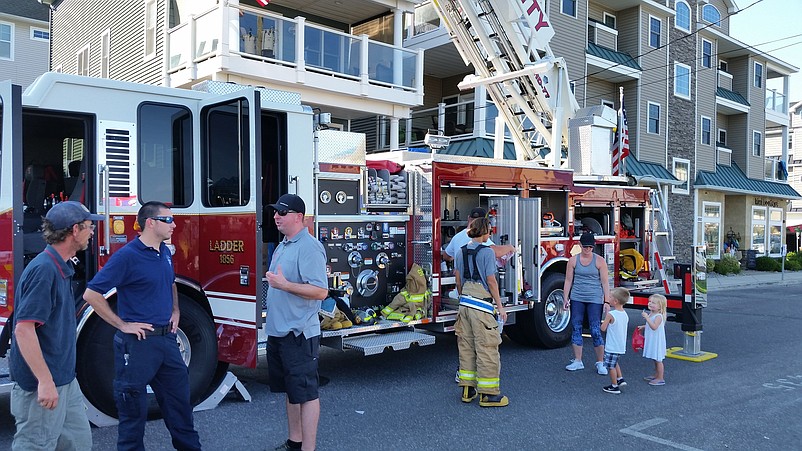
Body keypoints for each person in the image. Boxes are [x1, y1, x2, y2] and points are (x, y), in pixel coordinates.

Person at [83, 201, 201, 451]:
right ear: (151, 223)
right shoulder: (127, 256)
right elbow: (91, 294)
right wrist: (122, 325)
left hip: (167, 342)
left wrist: (175, 310)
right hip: (138, 346)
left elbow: (171, 282)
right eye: (168, 220)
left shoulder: (165, 252)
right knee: (132, 418)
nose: (174, 225)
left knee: (181, 411)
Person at [8, 201, 98, 450]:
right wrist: (45, 382)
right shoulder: (44, 270)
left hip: (65, 381)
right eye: (90, 226)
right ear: (74, 230)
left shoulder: (62, 265)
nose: (93, 232)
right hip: (43, 385)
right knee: (35, 445)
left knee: (78, 443)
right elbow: (23, 330)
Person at [264, 194, 328, 451]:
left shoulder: (309, 247)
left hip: (299, 333)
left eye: (282, 212)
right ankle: (294, 442)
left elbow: (320, 291)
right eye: (275, 212)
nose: (276, 216)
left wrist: (284, 285)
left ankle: (308, 448)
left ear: (298, 217)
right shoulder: (283, 245)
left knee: (306, 393)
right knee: (291, 392)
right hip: (279, 332)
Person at [453, 217, 509, 407]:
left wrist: (463, 299)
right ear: (484, 232)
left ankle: (467, 390)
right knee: (486, 348)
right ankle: (488, 395)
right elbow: (491, 281)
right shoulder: (487, 253)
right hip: (481, 305)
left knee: (466, 347)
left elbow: (458, 280)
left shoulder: (461, 252)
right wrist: (500, 306)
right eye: (489, 231)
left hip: (464, 304)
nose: (490, 234)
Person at [563, 232, 611, 375]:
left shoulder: (600, 261)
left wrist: (606, 301)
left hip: (595, 298)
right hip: (577, 297)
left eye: (590, 247)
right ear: (580, 245)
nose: (588, 249)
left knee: (595, 329)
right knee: (576, 327)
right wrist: (565, 297)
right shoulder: (573, 261)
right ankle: (578, 360)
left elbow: (605, 282)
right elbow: (568, 280)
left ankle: (600, 362)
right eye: (585, 247)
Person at [443, 207, 513, 262]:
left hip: (461, 277)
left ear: (468, 218)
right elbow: (496, 252)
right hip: (476, 278)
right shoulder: (479, 236)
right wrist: (510, 247)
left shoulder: (457, 237)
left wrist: (458, 258)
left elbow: (446, 256)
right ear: (483, 221)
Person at [600, 287, 630, 394]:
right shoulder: (625, 314)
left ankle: (614, 386)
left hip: (611, 345)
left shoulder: (611, 314)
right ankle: (620, 378)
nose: (609, 298)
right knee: (615, 361)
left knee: (610, 366)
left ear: (615, 301)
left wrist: (602, 321)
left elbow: (603, 328)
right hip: (620, 345)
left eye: (611, 296)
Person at [640, 294, 667, 386]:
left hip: (657, 341)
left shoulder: (658, 316)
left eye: (653, 303)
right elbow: (651, 324)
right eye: (649, 302)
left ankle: (660, 378)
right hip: (652, 339)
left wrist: (647, 318)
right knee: (655, 358)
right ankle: (656, 374)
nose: (650, 304)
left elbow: (654, 326)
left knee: (658, 359)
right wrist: (643, 326)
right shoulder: (652, 314)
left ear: (660, 306)